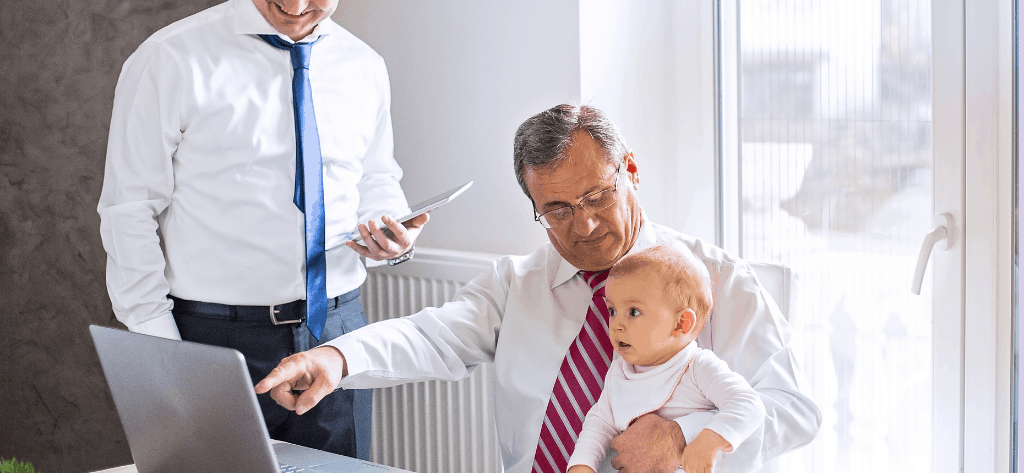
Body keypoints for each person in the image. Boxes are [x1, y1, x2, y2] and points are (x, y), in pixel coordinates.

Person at [255, 103, 822, 473]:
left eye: (598, 195)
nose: (585, 225)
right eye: (556, 210)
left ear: (630, 169)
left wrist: (684, 435)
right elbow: (432, 335)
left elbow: (795, 411)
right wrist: (337, 356)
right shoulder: (517, 283)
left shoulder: (717, 279)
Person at [96, 0, 427, 460]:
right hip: (213, 338)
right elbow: (128, 210)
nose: (298, 3)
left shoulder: (365, 67)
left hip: (338, 334)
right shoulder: (169, 61)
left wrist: (390, 231)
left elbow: (374, 176)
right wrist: (164, 353)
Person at [567, 244, 766, 473]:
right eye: (612, 310)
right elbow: (599, 423)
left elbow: (748, 404)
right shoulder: (619, 371)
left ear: (681, 324)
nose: (616, 325)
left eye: (633, 312)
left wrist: (709, 441)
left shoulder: (697, 366)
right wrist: (582, 465)